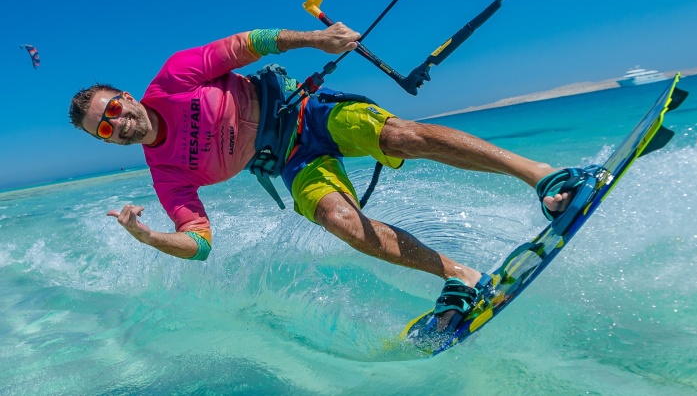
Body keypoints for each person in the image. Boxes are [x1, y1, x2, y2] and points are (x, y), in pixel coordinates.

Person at [68, 23, 579, 331]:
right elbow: (199, 244)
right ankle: (459, 274)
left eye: (112, 108)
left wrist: (319, 39)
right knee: (340, 221)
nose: (116, 123)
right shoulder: (166, 175)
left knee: (400, 136)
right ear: (106, 141)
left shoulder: (176, 76)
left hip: (306, 111)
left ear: (128, 96)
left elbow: (252, 43)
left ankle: (543, 175)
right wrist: (148, 235)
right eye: (104, 129)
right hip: (291, 161)